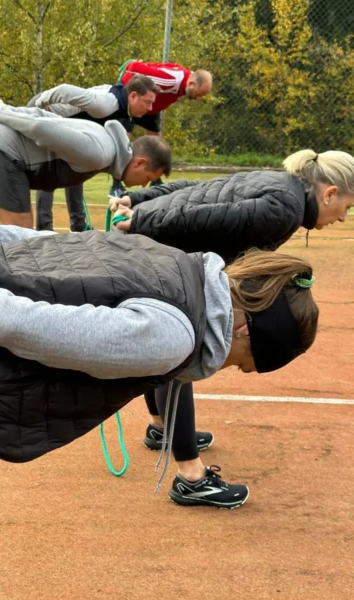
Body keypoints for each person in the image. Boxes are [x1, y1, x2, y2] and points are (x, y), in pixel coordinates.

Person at [0, 217, 318, 598]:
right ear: (244, 329)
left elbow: (12, 236)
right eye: (243, 363)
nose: (229, 370)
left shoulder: (168, 260)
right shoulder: (170, 336)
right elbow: (17, 322)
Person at [108, 148, 354, 507]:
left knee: (176, 352)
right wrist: (141, 220)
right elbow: (205, 217)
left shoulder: (282, 184)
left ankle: (162, 427)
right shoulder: (285, 210)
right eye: (347, 207)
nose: (344, 217)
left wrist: (139, 199)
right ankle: (191, 477)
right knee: (184, 353)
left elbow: (202, 189)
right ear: (330, 193)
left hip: (161, 253)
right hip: (162, 256)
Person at [0, 100, 171, 229]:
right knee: (21, 238)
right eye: (148, 178)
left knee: (20, 239)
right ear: (140, 162)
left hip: (0, 145)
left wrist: (6, 110)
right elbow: (40, 127)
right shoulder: (99, 154)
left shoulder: (105, 144)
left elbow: (45, 117)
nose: (143, 185)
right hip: (2, 148)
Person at [28, 74, 162, 231]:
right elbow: (64, 90)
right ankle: (44, 228)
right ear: (133, 96)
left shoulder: (122, 104)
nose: (150, 108)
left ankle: (78, 226)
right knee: (49, 172)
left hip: (66, 124)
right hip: (43, 112)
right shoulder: (107, 104)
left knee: (78, 169)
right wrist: (38, 107)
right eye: (147, 102)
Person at [109, 61, 213, 196]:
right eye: (198, 94)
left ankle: (156, 181)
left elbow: (158, 67)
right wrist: (132, 64)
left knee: (156, 143)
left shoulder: (184, 81)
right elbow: (135, 68)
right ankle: (116, 185)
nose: (198, 98)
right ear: (191, 83)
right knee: (123, 140)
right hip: (132, 100)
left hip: (151, 107)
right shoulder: (173, 80)